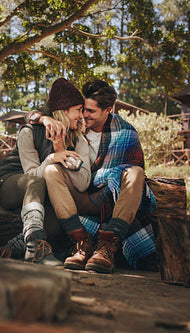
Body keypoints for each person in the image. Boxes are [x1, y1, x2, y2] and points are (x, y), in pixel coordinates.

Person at [27, 79, 156, 273]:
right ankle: (81, 243)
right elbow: (31, 114)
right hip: (81, 193)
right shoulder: (75, 127)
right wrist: (45, 120)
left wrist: (107, 178)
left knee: (136, 172)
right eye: (82, 109)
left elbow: (131, 171)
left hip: (113, 198)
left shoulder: (124, 131)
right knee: (51, 170)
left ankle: (107, 246)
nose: (83, 115)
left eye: (90, 111)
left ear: (107, 110)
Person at [0, 78, 91, 266]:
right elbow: (32, 175)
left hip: (40, 197)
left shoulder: (79, 141)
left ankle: (10, 250)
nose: (81, 115)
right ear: (64, 111)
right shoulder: (30, 132)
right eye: (78, 110)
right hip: (10, 183)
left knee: (59, 216)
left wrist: (60, 153)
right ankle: (34, 245)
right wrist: (52, 159)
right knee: (37, 183)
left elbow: (82, 184)